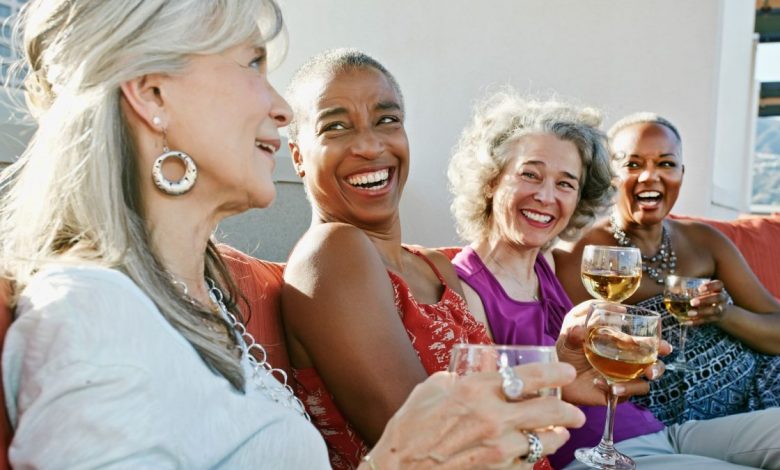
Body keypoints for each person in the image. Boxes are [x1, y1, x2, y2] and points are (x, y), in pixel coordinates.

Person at [0, 1, 586, 468]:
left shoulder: (200, 306)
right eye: (251, 63)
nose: (280, 109)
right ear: (153, 95)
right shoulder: (89, 309)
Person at [448, 90, 780, 469]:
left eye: (566, 183)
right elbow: (474, 412)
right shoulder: (467, 286)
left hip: (659, 432)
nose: (546, 196)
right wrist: (561, 379)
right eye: (530, 174)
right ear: (491, 180)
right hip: (595, 456)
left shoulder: (547, 266)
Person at [554, 112, 780, 425]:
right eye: (633, 164)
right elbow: (574, 352)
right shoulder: (585, 257)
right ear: (609, 176)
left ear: (681, 174)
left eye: (666, 163)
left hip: (764, 387)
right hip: (679, 423)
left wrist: (725, 314)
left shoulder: (704, 240)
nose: (650, 176)